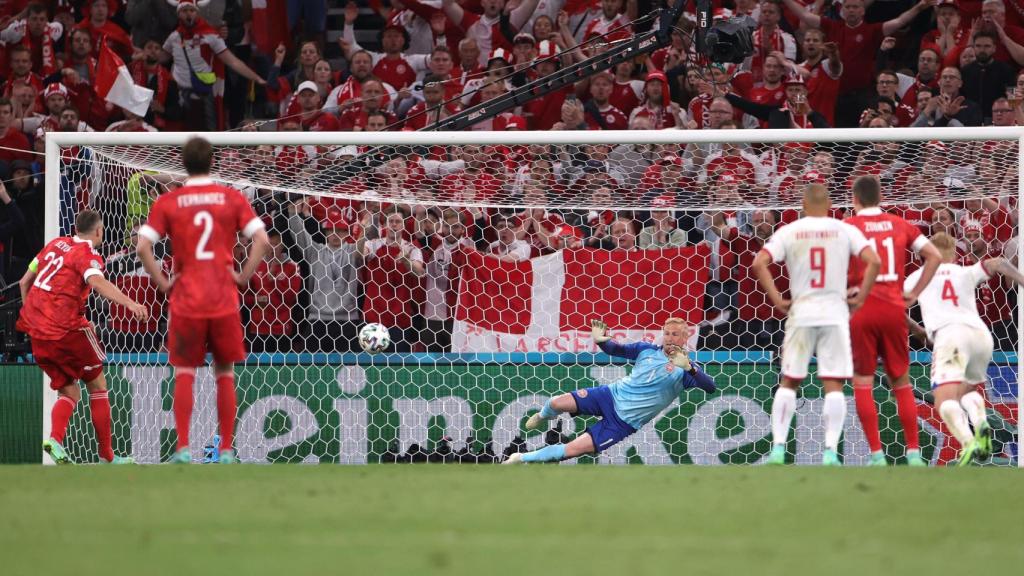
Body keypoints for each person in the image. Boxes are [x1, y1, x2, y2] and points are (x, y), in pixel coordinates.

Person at [136, 137, 271, 464]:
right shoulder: (231, 197)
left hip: (186, 297)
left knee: (185, 371)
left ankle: (183, 448)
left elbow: (142, 247)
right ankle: (225, 450)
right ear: (213, 162)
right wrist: (242, 277)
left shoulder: (169, 201)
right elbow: (263, 239)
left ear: (182, 163)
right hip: (223, 294)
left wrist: (164, 283)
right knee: (224, 372)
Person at [752, 183, 880, 466]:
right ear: (830, 205)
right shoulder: (844, 229)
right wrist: (860, 298)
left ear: (803, 205)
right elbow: (874, 261)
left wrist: (776, 299)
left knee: (789, 381)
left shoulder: (790, 230)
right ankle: (830, 452)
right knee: (833, 383)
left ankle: (778, 449)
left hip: (802, 313)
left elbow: (759, 262)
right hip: (834, 314)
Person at [17, 209, 148, 464]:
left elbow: (24, 281)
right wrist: (131, 304)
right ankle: (107, 457)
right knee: (97, 386)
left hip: (37, 332)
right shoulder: (88, 254)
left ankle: (54, 440)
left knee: (69, 392)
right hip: (66, 329)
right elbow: (97, 282)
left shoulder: (54, 244)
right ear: (99, 231)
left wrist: (35, 319)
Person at [503, 318, 716, 464]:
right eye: (667, 333)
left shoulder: (686, 370)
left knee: (572, 450)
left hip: (623, 422)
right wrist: (601, 341)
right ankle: (541, 416)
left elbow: (710, 387)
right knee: (557, 403)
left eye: (675, 334)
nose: (670, 338)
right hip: (610, 395)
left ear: (685, 338)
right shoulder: (646, 350)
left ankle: (520, 458)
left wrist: (689, 367)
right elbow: (617, 349)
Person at [844, 176, 942, 466]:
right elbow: (934, 255)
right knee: (901, 381)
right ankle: (913, 453)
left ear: (855, 199)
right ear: (880, 196)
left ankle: (876, 455)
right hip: (893, 309)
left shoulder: (847, 227)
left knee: (863, 381)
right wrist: (914, 293)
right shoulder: (900, 224)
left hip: (861, 309)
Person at [905, 232, 1024, 465]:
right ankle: (981, 425)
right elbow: (998, 262)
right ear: (954, 254)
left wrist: (917, 330)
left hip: (950, 336)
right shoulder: (964, 271)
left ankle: (968, 441)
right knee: (967, 392)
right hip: (981, 337)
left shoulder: (918, 277)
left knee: (944, 400)